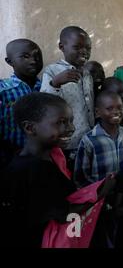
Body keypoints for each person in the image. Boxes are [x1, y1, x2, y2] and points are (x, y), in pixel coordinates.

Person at [1, 93, 113, 247]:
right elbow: (64, 214)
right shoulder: (32, 170)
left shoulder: (52, 156)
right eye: (61, 122)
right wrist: (101, 192)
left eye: (70, 121)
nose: (71, 128)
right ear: (30, 128)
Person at [40, 26, 95, 170]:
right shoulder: (52, 71)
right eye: (77, 47)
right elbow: (44, 105)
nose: (84, 51)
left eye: (88, 48)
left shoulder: (87, 74)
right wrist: (56, 83)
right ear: (62, 47)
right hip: (67, 141)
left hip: (88, 139)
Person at [0, 39, 43, 168]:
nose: (33, 60)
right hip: (9, 157)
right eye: (25, 56)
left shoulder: (47, 87)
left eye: (37, 56)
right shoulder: (3, 89)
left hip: (43, 156)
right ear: (9, 61)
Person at [74, 91, 123, 187]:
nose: (116, 112)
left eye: (120, 107)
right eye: (109, 108)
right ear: (98, 112)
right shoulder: (89, 140)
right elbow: (81, 176)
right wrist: (98, 192)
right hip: (99, 195)